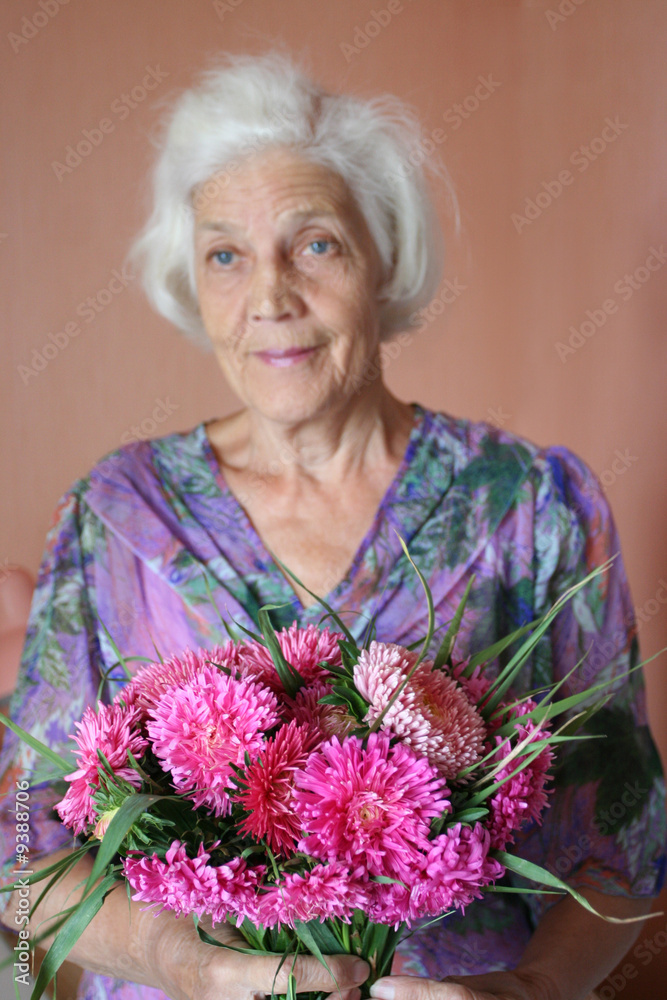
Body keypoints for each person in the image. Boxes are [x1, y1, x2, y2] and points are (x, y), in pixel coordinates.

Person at [0, 51, 664, 1000]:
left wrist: (532, 990)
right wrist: (181, 965)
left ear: (383, 258)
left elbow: (623, 839)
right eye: (225, 255)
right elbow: (21, 845)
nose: (269, 296)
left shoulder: (527, 501)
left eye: (314, 245)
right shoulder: (116, 512)